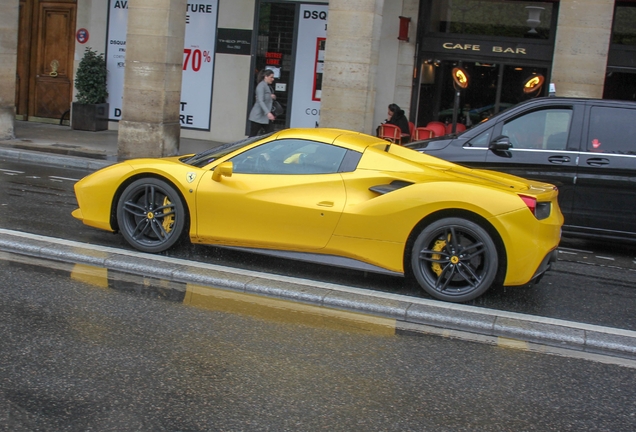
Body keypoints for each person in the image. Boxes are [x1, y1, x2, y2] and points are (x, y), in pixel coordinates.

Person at [248, 69, 276, 137]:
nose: (273, 79)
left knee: (270, 134)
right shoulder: (261, 86)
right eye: (271, 77)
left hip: (263, 116)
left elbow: (264, 97)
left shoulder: (266, 86)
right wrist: (268, 113)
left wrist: (271, 97)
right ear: (266, 76)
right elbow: (260, 100)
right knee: (252, 136)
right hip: (258, 116)